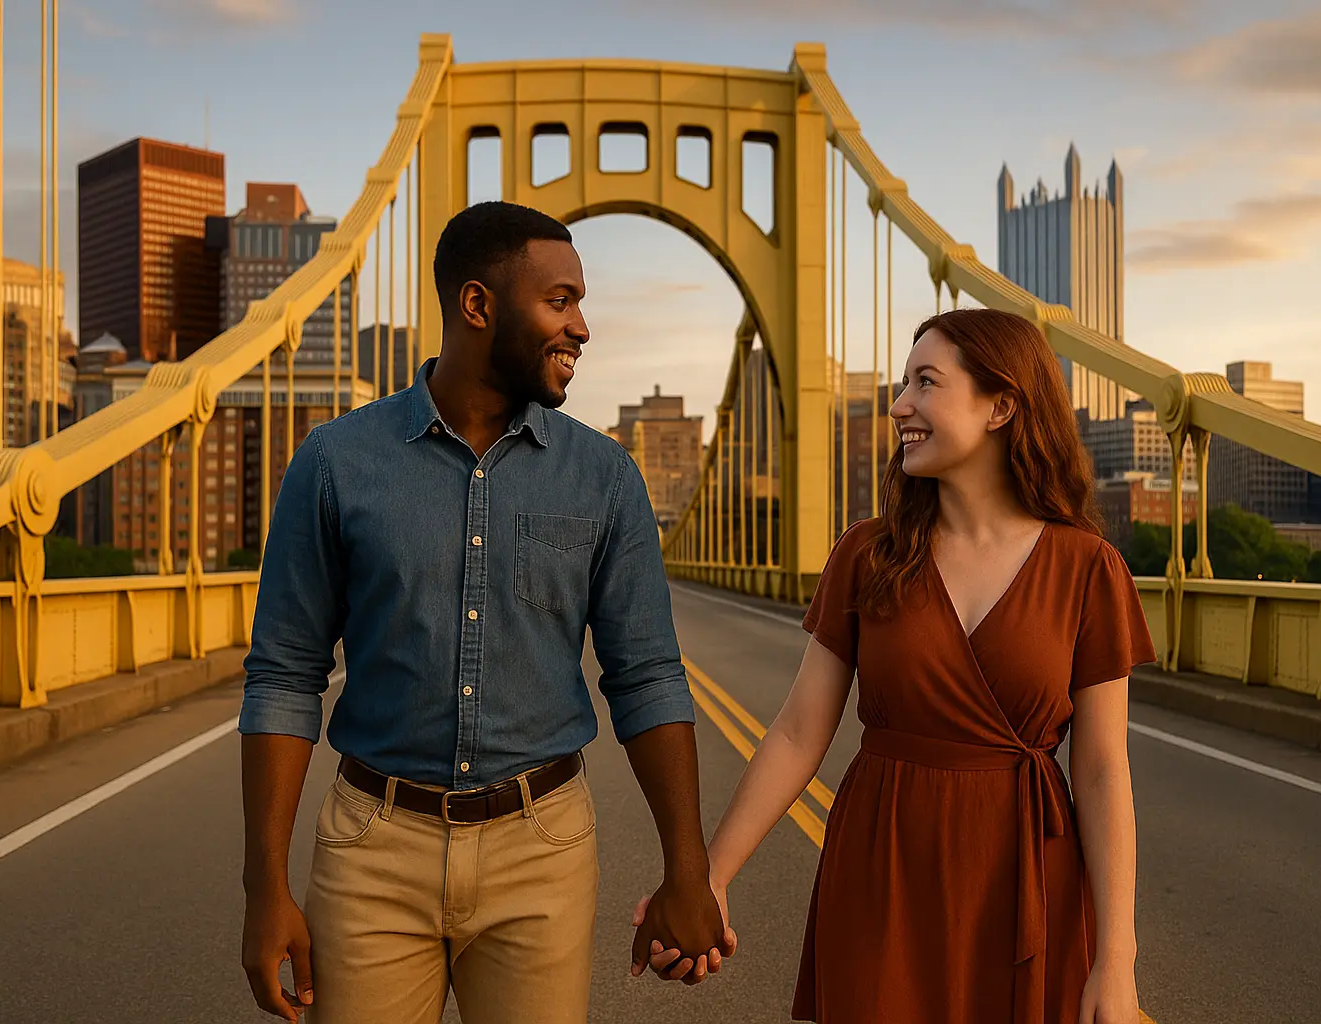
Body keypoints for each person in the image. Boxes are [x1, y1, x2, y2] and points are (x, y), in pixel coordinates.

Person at [238, 200, 730, 1024]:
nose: (582, 327)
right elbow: (285, 677)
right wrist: (265, 890)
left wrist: (689, 872)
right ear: (478, 306)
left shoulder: (604, 478)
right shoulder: (335, 464)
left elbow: (646, 676)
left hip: (542, 848)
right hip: (373, 849)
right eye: (560, 300)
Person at [634, 307, 1155, 1022]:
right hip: (883, 874)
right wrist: (709, 878)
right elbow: (797, 734)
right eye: (902, 383)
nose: (898, 404)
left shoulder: (1088, 569)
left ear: (1001, 404)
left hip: (1027, 881)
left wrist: (1116, 961)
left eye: (926, 382)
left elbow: (1102, 771)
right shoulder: (867, 554)